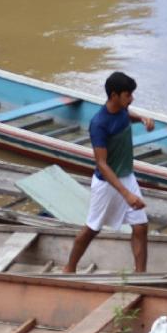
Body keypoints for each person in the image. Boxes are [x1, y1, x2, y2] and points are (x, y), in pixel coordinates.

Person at [64, 72, 155, 275]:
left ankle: (140, 275)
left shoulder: (122, 110)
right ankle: (69, 268)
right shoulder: (99, 124)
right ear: (114, 95)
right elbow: (102, 164)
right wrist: (127, 194)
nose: (131, 99)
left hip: (126, 177)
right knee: (92, 228)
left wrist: (141, 118)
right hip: (106, 183)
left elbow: (126, 116)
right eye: (127, 95)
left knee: (140, 226)